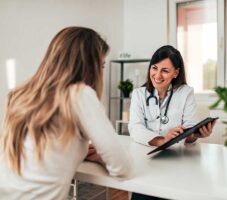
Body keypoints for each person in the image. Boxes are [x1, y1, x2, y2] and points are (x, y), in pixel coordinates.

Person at [0, 27, 133, 200]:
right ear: (89, 66)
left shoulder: (19, 94)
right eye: (100, 65)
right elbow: (123, 168)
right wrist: (100, 157)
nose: (101, 72)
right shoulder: (80, 94)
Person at [128, 45, 215, 200]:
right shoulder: (139, 94)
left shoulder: (185, 92)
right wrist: (163, 140)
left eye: (165, 70)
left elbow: (189, 128)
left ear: (176, 72)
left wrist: (196, 135)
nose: (157, 75)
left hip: (177, 163)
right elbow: (135, 127)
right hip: (146, 161)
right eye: (154, 68)